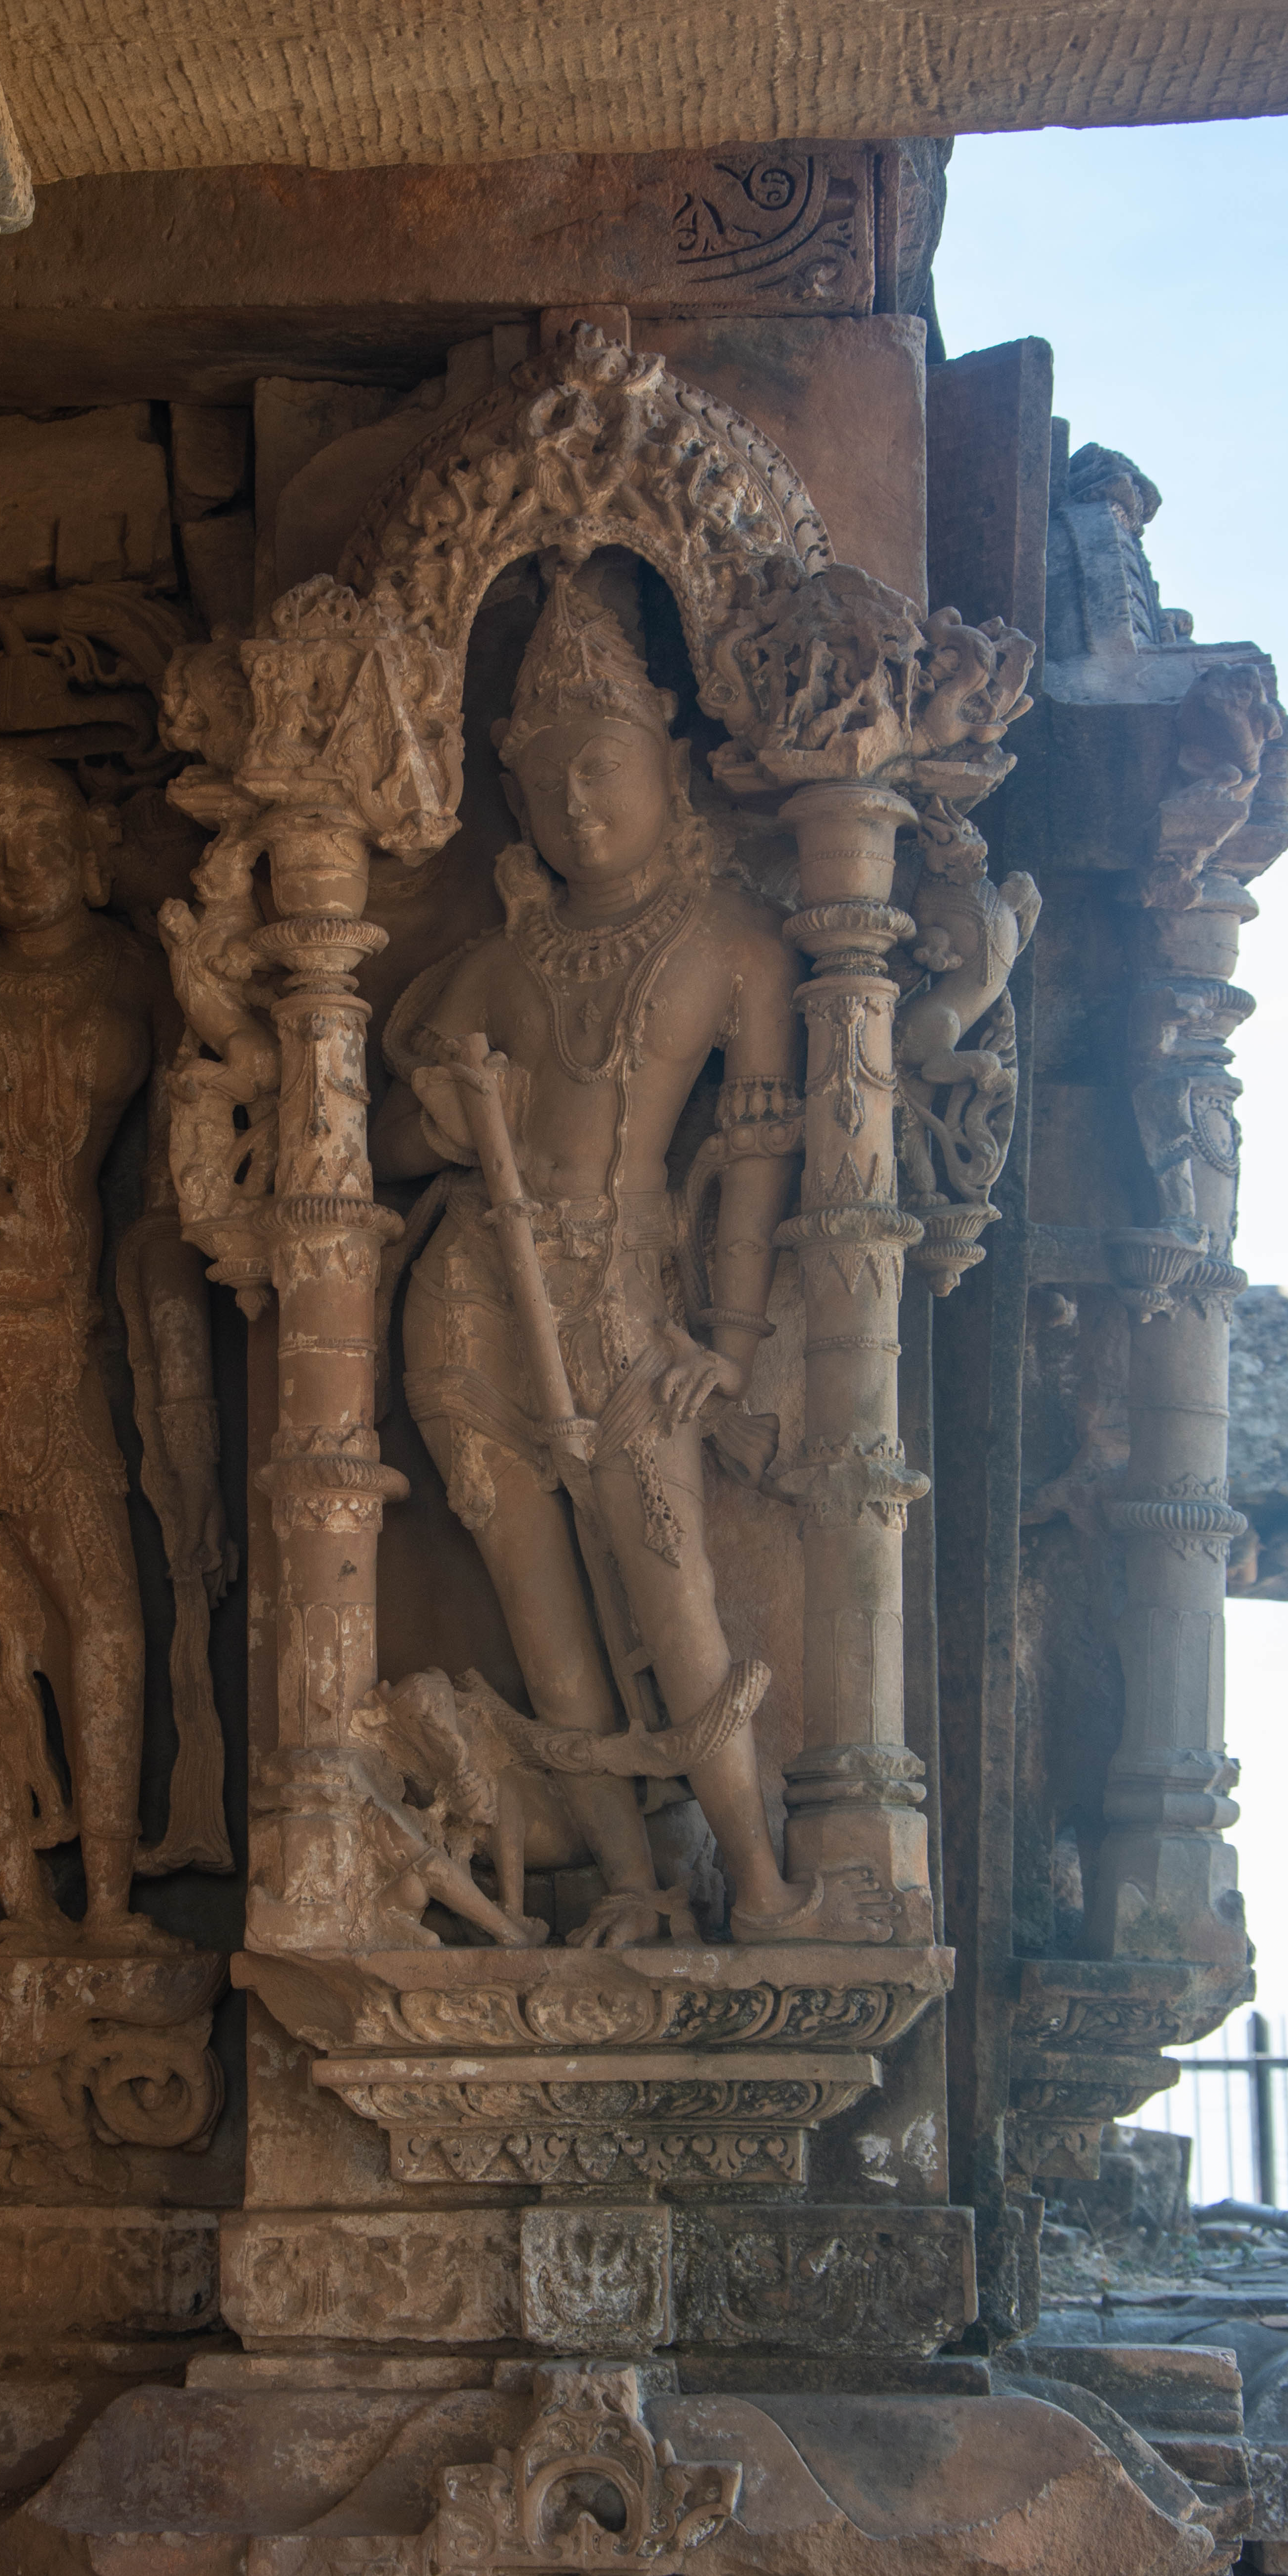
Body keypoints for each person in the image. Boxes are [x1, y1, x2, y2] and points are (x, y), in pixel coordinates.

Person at [374, 568, 821, 1943]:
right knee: (544, 1612)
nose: (580, 803)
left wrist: (727, 1342)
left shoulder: (733, 946)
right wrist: (446, 1116)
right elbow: (386, 1140)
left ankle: (756, 1882)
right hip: (471, 1303)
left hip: (630, 1302)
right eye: (552, 777)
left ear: (672, 766)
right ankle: (630, 1885)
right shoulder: (498, 962)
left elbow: (759, 1153)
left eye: (607, 765)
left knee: (671, 1590)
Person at [0, 743, 232, 1947]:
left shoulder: (133, 967)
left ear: (88, 849)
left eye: (41, 842)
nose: (20, 869)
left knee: (106, 1612)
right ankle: (22, 1910)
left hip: (62, 1322)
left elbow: (219, 1063)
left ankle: (112, 1899)